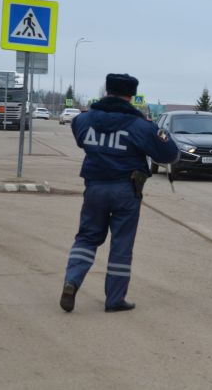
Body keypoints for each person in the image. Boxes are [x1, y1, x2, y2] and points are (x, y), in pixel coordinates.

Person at [60, 73, 179, 313]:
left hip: (94, 188)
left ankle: (71, 281)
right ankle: (114, 300)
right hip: (126, 190)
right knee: (121, 244)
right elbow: (168, 154)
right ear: (131, 95)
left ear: (107, 90)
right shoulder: (139, 125)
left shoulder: (85, 120)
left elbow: (78, 134)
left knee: (86, 238)